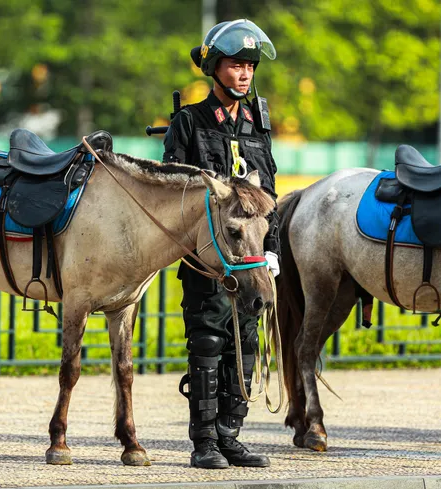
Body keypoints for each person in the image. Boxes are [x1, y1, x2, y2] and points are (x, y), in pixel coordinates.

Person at [163, 19, 280, 469]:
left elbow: (268, 191)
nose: (245, 73)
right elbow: (176, 192)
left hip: (251, 260)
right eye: (235, 64)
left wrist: (273, 255)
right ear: (214, 68)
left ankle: (231, 436)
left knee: (245, 344)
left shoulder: (257, 124)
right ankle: (205, 443)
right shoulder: (189, 122)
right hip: (208, 262)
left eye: (250, 65)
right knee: (208, 345)